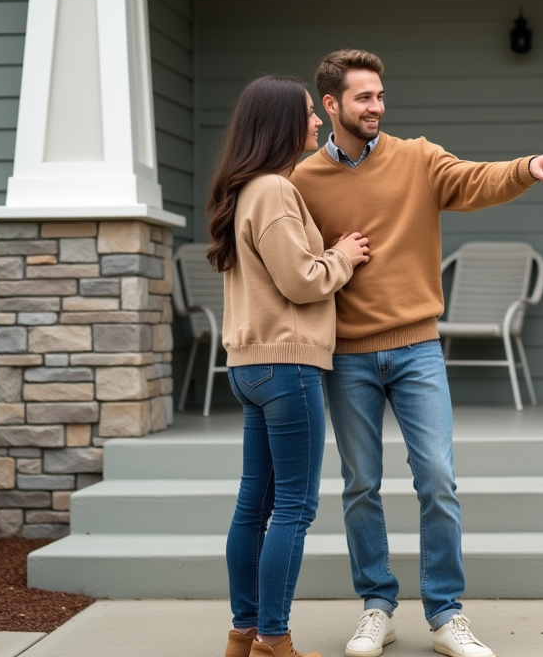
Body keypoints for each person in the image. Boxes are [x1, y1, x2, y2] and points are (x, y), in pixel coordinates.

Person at [291, 50, 543, 657]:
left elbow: (478, 180)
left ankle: (446, 615)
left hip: (418, 348)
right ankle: (378, 608)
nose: (377, 106)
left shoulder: (417, 157)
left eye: (379, 95)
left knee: (438, 482)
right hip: (346, 357)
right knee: (360, 485)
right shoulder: (303, 182)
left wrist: (530, 166)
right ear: (331, 105)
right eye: (364, 97)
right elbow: (299, 267)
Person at [206, 75, 371, 657]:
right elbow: (302, 282)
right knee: (294, 508)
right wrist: (343, 256)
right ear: (280, 123)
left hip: (250, 368)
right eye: (308, 113)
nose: (318, 121)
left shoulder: (243, 189)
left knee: (255, 503)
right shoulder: (274, 191)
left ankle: (242, 633)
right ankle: (274, 639)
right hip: (287, 366)